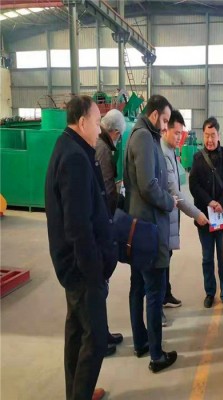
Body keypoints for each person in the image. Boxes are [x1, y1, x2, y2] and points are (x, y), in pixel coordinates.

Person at [45, 95, 118, 400]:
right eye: (97, 121)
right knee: (96, 339)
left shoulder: (70, 147)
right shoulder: (75, 157)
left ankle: (77, 393)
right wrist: (94, 271)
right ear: (83, 121)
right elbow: (78, 226)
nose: (100, 128)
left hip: (74, 264)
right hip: (81, 267)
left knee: (77, 332)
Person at [124, 94, 178, 373]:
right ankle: (156, 355)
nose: (166, 126)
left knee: (137, 287)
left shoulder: (139, 135)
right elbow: (147, 185)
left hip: (139, 227)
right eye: (165, 120)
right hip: (148, 228)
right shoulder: (144, 138)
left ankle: (141, 342)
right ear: (154, 115)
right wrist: (169, 202)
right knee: (153, 293)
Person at [160, 110, 209, 325]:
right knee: (159, 263)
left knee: (167, 258)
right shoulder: (162, 154)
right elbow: (175, 193)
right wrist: (197, 214)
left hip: (171, 217)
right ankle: (157, 309)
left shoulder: (171, 151)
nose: (179, 137)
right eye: (176, 132)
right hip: (162, 218)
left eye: (181, 133)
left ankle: (165, 294)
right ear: (166, 129)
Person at [189, 116, 223, 314]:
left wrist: (221, 203)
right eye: (206, 135)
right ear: (203, 135)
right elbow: (194, 186)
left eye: (213, 135)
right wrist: (209, 202)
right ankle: (210, 292)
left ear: (219, 135)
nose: (209, 140)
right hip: (205, 218)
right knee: (207, 257)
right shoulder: (198, 158)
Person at [95, 109, 126, 356]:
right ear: (114, 132)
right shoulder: (103, 149)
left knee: (101, 286)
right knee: (98, 286)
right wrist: (117, 207)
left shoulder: (100, 145)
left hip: (100, 222)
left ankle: (103, 332)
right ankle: (98, 339)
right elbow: (105, 189)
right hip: (101, 225)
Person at [96, 109, 126, 215]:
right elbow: (107, 188)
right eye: (120, 136)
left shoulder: (97, 139)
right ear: (116, 133)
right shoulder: (104, 149)